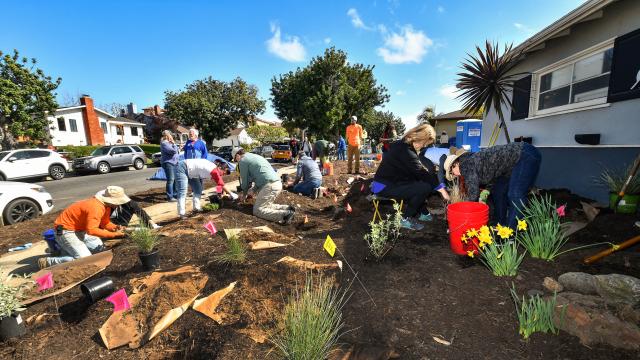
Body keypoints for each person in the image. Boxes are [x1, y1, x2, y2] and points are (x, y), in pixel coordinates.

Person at [442, 142, 542, 229]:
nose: (455, 175)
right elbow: (491, 173)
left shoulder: (466, 165)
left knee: (515, 194)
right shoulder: (469, 161)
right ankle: (500, 224)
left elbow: (473, 195)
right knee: (498, 191)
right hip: (510, 167)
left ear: (455, 164)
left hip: (524, 155)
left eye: (452, 173)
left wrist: (461, 212)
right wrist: (487, 190)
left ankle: (510, 233)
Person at [372, 124, 449, 231]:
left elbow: (415, 172)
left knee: (418, 183)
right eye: (425, 144)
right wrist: (443, 191)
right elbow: (422, 173)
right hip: (382, 186)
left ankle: (423, 212)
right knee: (425, 187)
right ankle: (403, 219)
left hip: (385, 182)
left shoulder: (402, 144)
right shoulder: (406, 150)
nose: (424, 147)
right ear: (422, 139)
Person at [38, 186, 128, 268]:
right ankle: (49, 262)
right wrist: (114, 235)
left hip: (81, 230)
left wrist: (115, 228)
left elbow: (105, 223)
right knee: (85, 260)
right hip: (66, 231)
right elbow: (92, 230)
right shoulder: (96, 207)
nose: (119, 204)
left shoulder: (106, 206)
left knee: (101, 252)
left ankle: (64, 250)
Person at [233, 148, 294, 224]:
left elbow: (245, 181)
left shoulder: (242, 161)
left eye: (235, 160)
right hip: (277, 183)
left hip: (270, 185)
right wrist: (253, 190)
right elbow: (261, 177)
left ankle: (285, 215)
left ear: (238, 155)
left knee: (258, 210)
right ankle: (287, 208)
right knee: (265, 205)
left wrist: (244, 195)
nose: (237, 162)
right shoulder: (255, 156)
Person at [160, 130, 179, 201]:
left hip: (174, 162)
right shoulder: (164, 143)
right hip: (168, 163)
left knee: (174, 179)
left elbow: (177, 150)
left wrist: (173, 144)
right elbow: (173, 151)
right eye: (170, 135)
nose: (171, 136)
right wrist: (174, 144)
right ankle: (170, 197)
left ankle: (175, 195)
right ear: (167, 136)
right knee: (170, 180)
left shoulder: (169, 143)